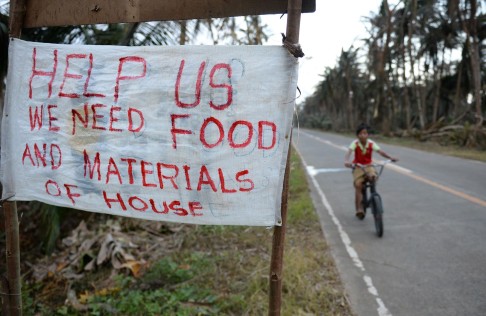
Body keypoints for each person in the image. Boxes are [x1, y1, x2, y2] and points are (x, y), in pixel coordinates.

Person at [344, 123, 398, 219]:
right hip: (358, 166)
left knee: (373, 178)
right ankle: (359, 208)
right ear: (358, 135)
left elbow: (380, 152)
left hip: (369, 166)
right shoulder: (355, 143)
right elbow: (349, 152)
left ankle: (374, 197)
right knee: (358, 185)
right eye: (361, 133)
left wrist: (390, 157)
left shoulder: (371, 143)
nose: (363, 135)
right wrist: (346, 161)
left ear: (368, 135)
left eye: (365, 133)